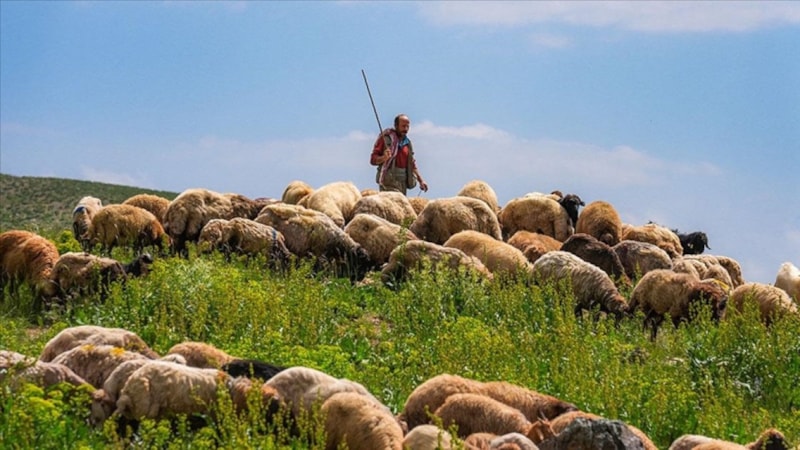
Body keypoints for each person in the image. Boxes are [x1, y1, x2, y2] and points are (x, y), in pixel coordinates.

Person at [370, 114, 428, 194]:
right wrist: (383, 158)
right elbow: (373, 160)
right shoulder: (385, 139)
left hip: (402, 183)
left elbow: (412, 164)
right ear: (396, 126)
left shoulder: (407, 143)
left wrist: (421, 181)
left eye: (407, 126)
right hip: (388, 182)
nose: (406, 129)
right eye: (403, 126)